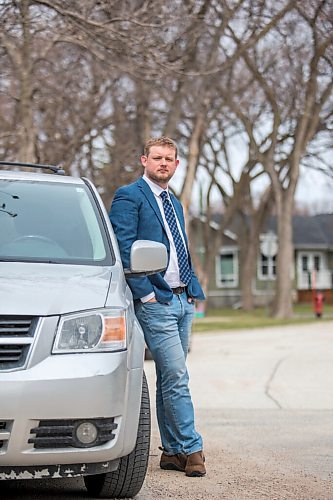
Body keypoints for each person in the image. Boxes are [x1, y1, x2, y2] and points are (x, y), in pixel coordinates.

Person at [109, 136, 206, 477]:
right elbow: (124, 248)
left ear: (177, 165)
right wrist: (145, 294)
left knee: (169, 375)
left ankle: (172, 451)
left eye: (169, 159)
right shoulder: (129, 196)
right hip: (156, 301)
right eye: (157, 158)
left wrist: (191, 288)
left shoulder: (174, 202)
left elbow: (180, 247)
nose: (163, 163)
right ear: (143, 161)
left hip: (182, 299)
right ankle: (193, 449)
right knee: (178, 375)